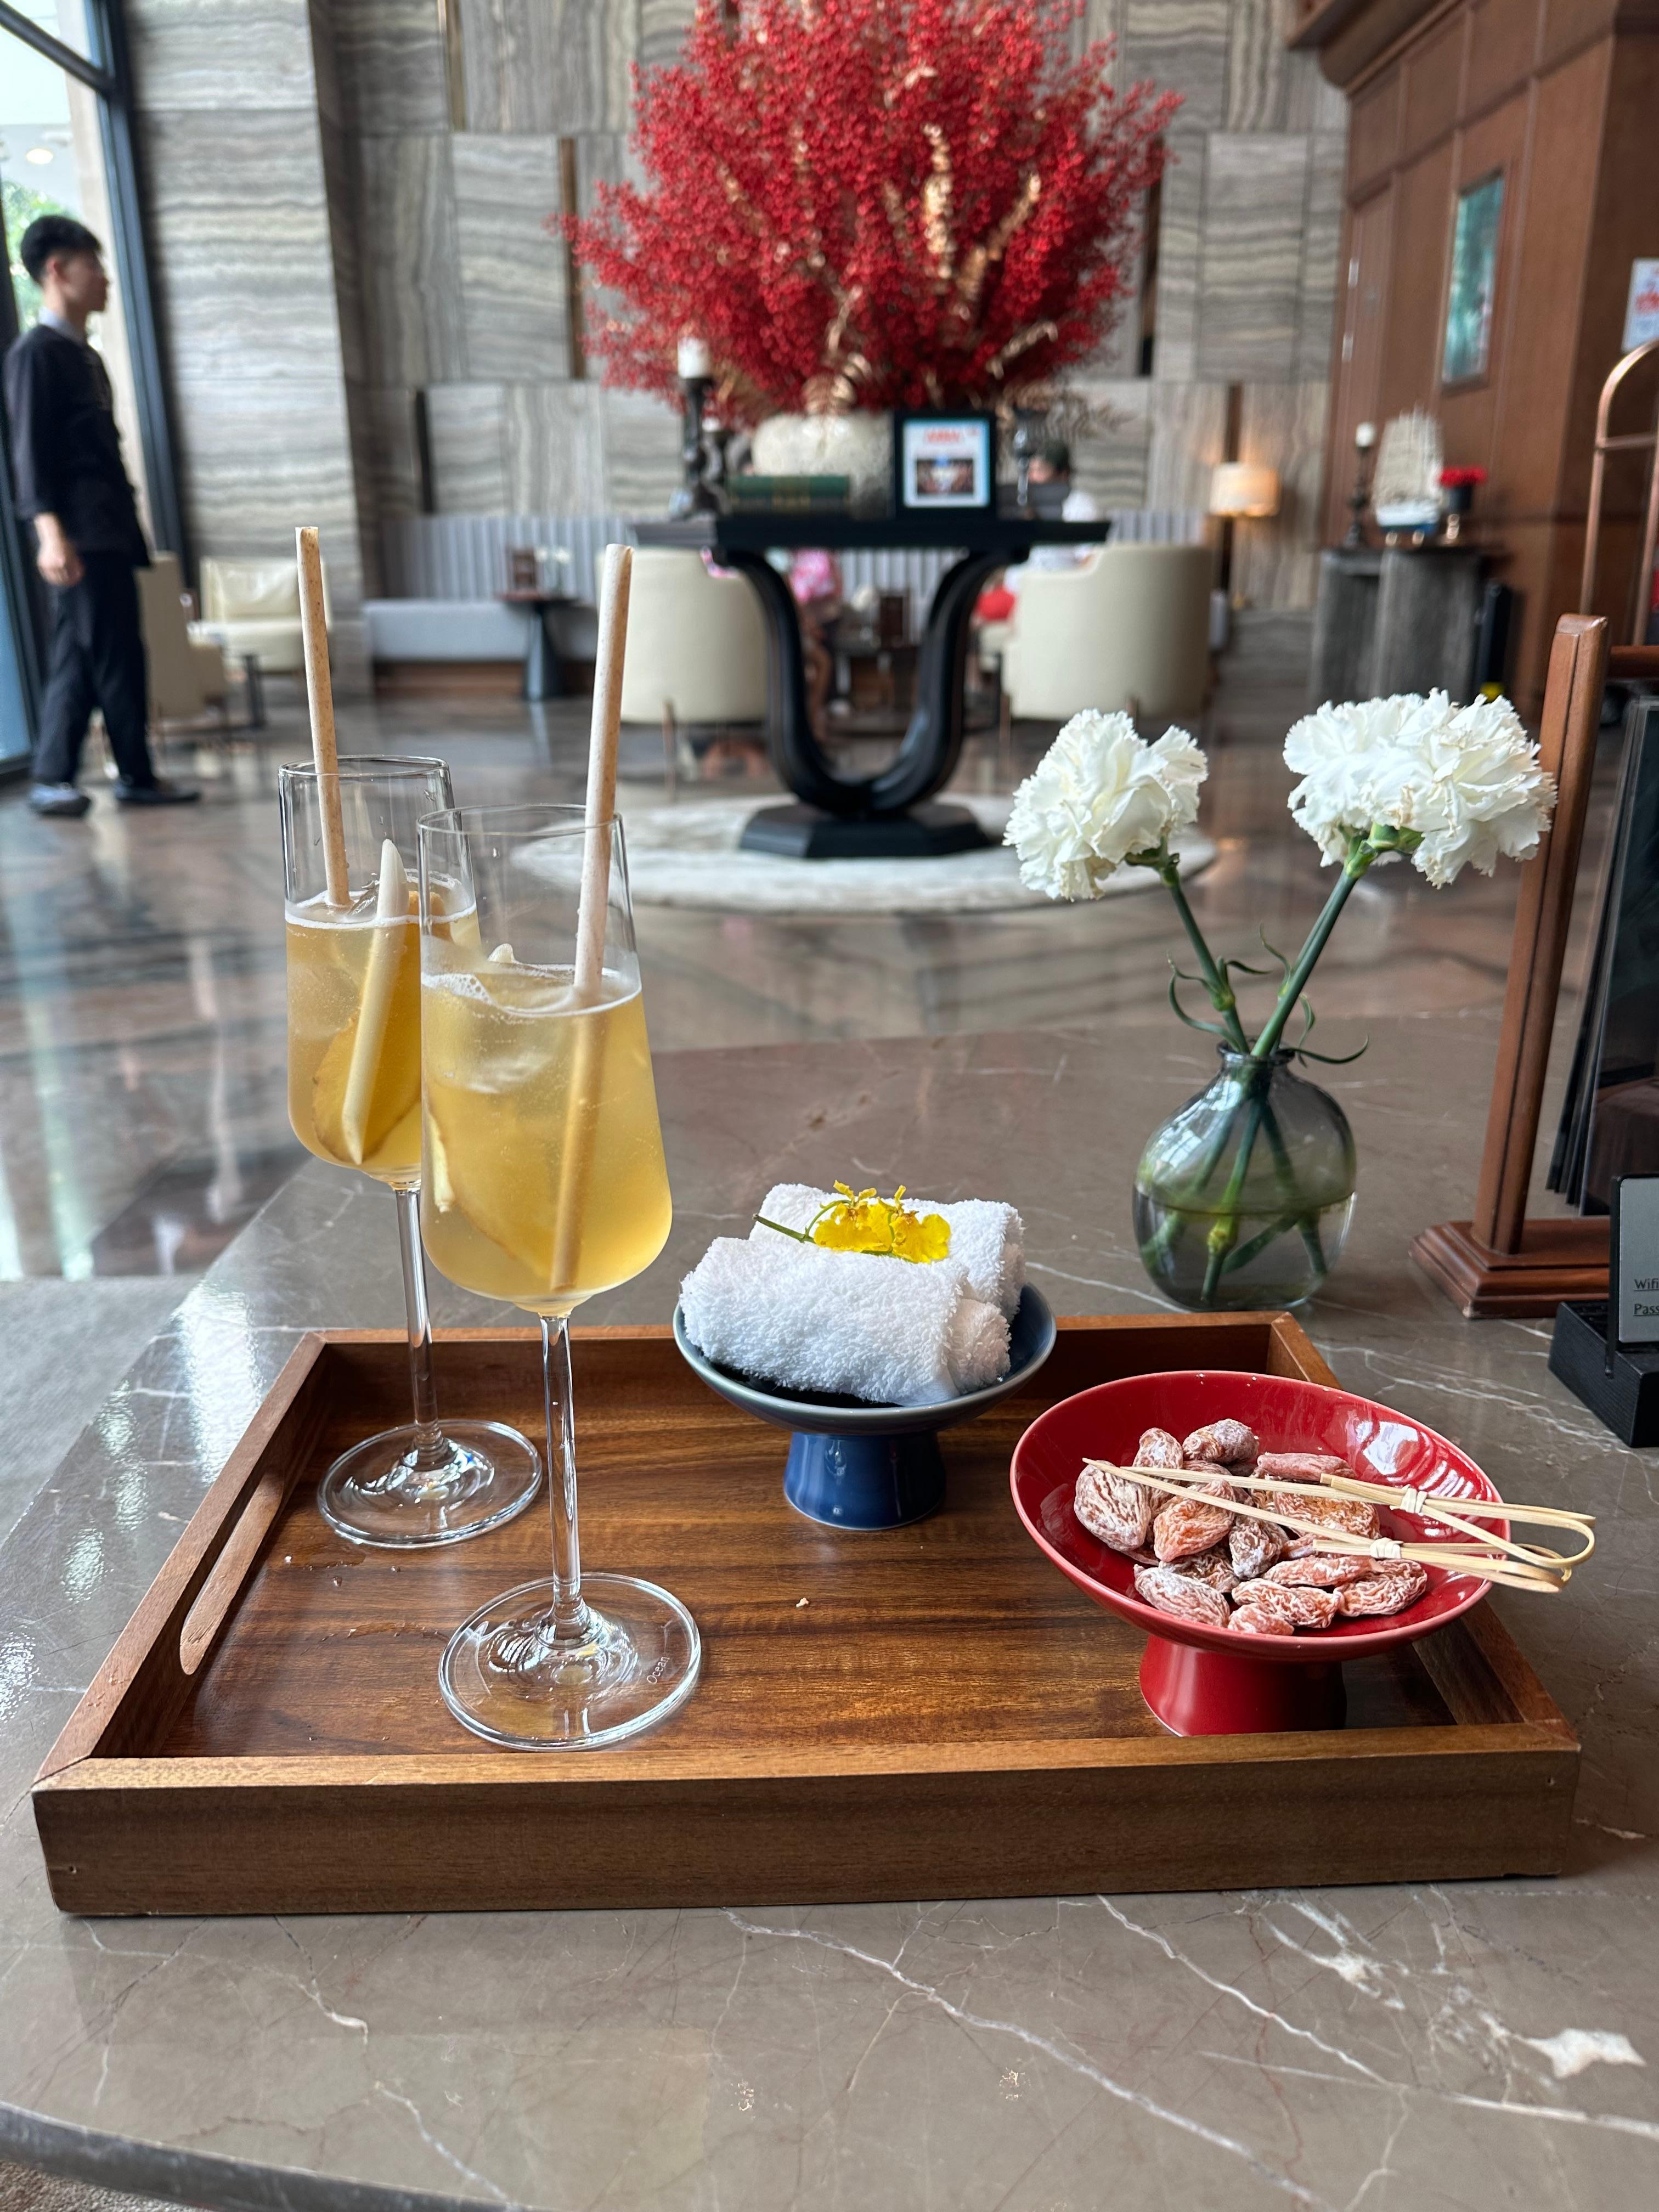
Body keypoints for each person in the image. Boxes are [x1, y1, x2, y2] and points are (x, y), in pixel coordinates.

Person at [3, 215, 196, 816]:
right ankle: (124, 775)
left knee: (89, 652)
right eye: (94, 265)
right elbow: (28, 454)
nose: (106, 278)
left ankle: (59, 776)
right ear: (57, 271)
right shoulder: (36, 355)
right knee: (109, 655)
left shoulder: (85, 357)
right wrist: (50, 534)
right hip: (80, 537)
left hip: (107, 532)